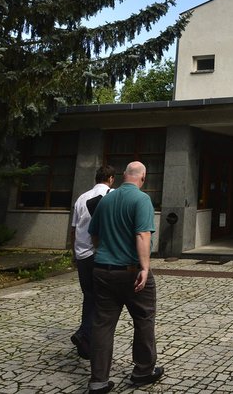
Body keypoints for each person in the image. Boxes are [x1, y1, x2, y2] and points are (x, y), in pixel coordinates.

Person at [87, 161, 163, 393]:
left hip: (102, 270)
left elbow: (94, 235)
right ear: (143, 177)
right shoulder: (142, 200)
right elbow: (142, 235)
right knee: (143, 319)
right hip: (131, 272)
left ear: (123, 176)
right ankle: (143, 371)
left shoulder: (107, 199)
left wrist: (106, 254)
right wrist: (144, 267)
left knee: (101, 325)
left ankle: (98, 381)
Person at [69, 165, 115, 359]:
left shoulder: (81, 197)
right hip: (98, 253)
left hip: (81, 253)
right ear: (111, 178)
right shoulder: (111, 196)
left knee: (89, 296)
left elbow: (73, 228)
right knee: (102, 298)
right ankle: (85, 333)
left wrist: (73, 252)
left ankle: (86, 342)